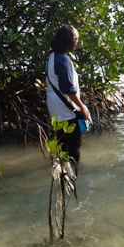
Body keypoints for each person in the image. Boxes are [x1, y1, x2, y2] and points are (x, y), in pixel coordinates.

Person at [46, 26, 90, 164]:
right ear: (69, 41)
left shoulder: (52, 56)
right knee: (74, 144)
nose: (77, 42)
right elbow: (68, 89)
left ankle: (63, 172)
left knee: (62, 141)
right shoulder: (63, 59)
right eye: (75, 38)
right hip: (66, 108)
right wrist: (82, 107)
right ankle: (75, 174)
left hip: (55, 107)